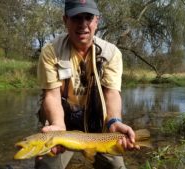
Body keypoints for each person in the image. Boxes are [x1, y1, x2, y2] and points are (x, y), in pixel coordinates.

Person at [36, 0, 138, 168]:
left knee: (116, 167)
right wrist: (58, 127)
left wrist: (114, 122)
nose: (83, 24)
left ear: (97, 21)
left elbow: (111, 93)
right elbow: (51, 95)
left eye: (88, 17)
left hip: (97, 123)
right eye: (76, 17)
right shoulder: (51, 51)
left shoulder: (111, 53)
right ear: (65, 20)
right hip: (62, 121)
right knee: (46, 166)